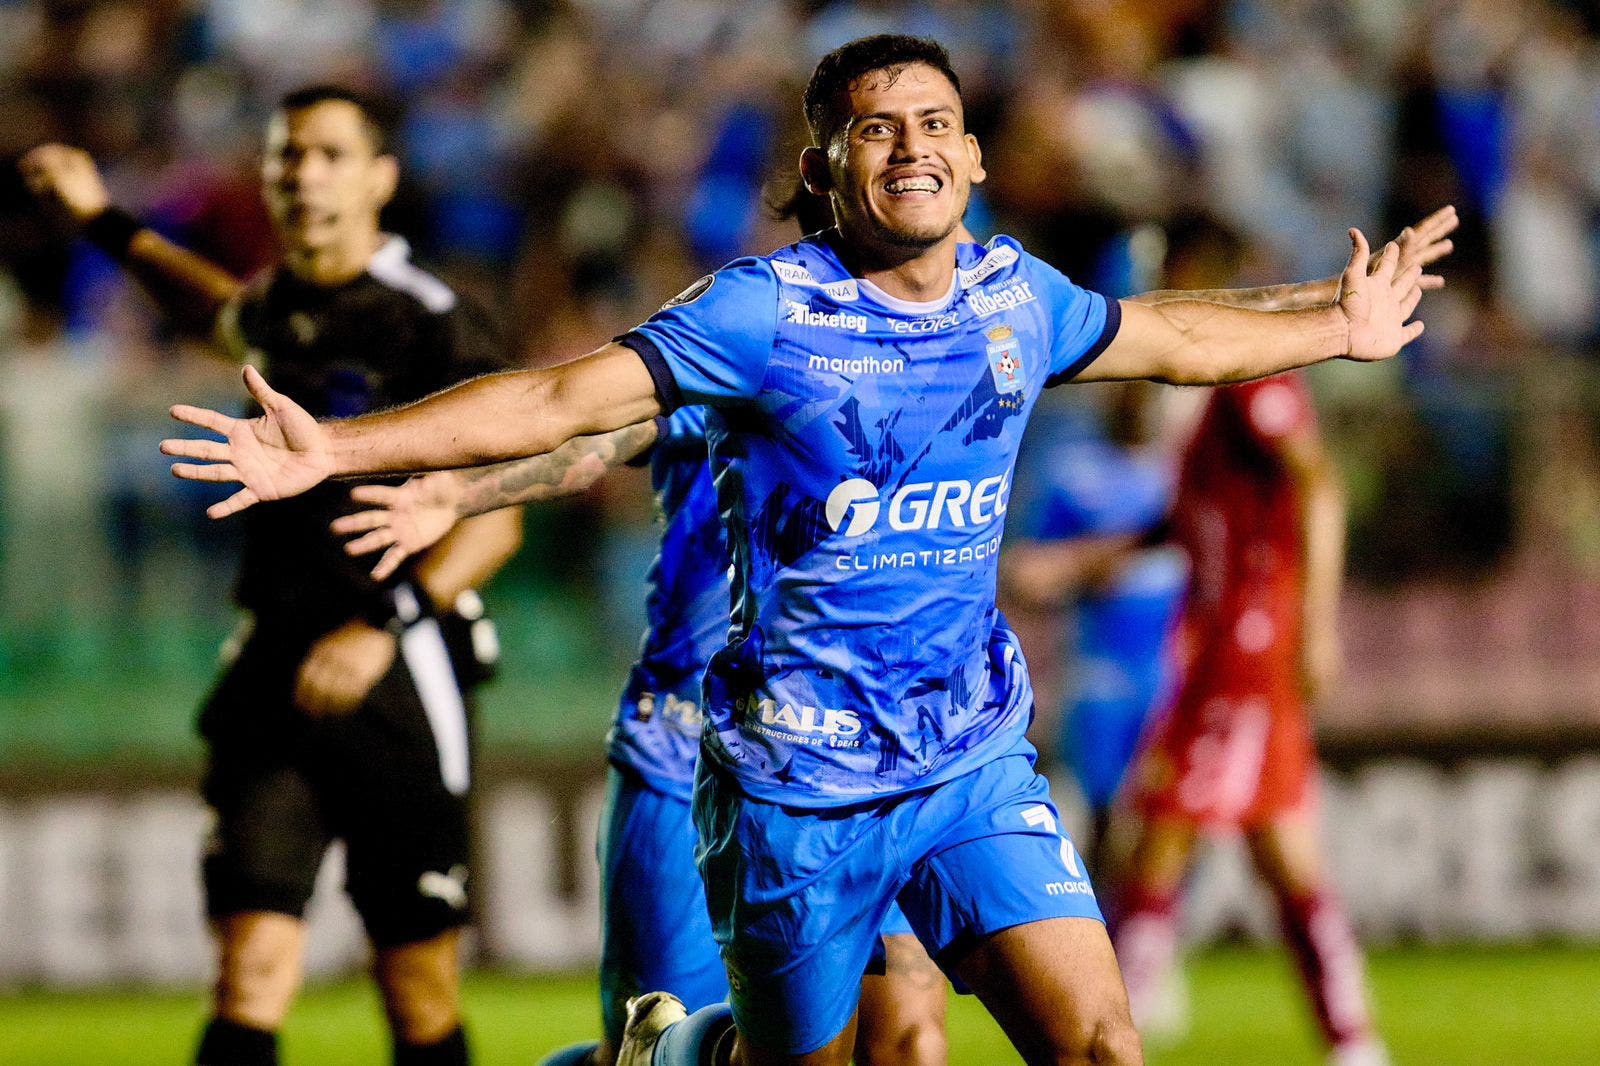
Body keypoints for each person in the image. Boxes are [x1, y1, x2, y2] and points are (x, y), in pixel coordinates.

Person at [160, 36, 1442, 1066]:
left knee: (1100, 1039)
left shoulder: (1016, 296)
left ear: (976, 155)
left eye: (935, 121)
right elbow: (566, 407)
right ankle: (670, 1052)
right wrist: (342, 450)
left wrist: (1334, 323)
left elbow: (1168, 336)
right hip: (792, 784)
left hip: (968, 757)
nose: (912, 145)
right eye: (877, 126)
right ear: (828, 164)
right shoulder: (761, 314)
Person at [21, 86, 524, 1066]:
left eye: (329, 153)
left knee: (416, 985)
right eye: (285, 155)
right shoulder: (279, 311)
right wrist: (96, 218)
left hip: (396, 674)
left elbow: (494, 519)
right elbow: (208, 304)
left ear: (381, 177)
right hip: (273, 668)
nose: (302, 173)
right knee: (248, 965)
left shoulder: (430, 323)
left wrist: (387, 621)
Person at [329, 398, 948, 1066]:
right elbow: (601, 435)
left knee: (908, 1038)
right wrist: (470, 492)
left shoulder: (936, 356)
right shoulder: (749, 345)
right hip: (692, 760)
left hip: (872, 765)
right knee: (653, 1045)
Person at [1111, 214, 1460, 1066]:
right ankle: (1351, 1040)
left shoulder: (1249, 382)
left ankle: (1118, 1016)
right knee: (1281, 847)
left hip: (1248, 638)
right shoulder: (1199, 399)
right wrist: (1088, 565)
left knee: (1160, 823)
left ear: (1202, 269)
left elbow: (1321, 484)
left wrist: (1317, 627)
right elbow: (1193, 521)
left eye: (1169, 263)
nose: (1155, 277)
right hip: (1227, 637)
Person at [1000, 380, 1187, 876]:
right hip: (1102, 671)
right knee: (1105, 815)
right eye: (1130, 392)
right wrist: (1096, 563)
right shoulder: (1074, 474)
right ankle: (1104, 930)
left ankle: (1147, 937)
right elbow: (1023, 572)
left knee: (1171, 817)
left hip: (1178, 672)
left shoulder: (1187, 472)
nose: (1140, 403)